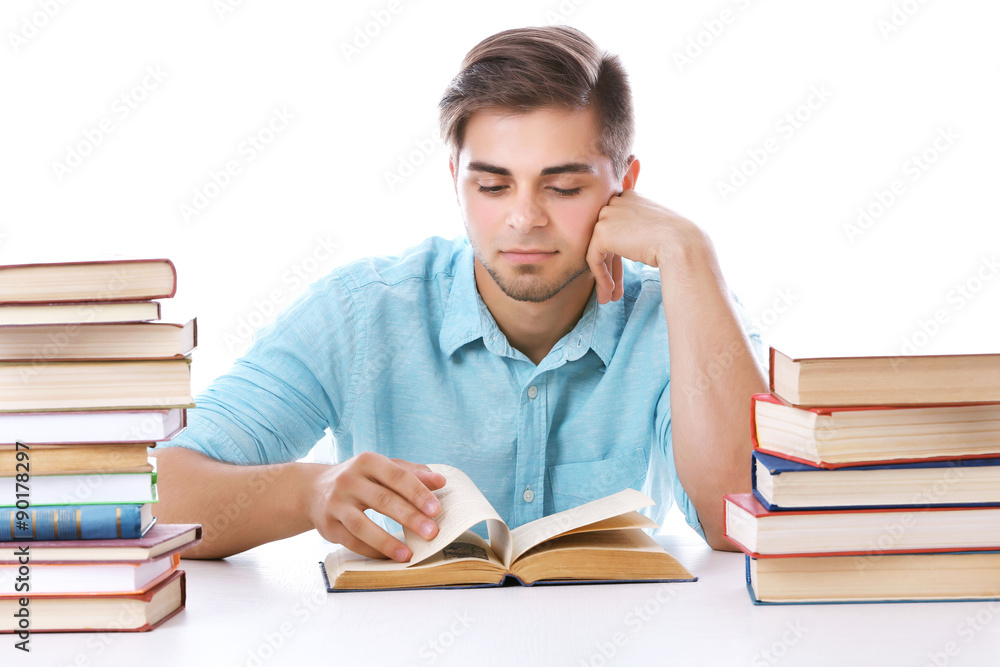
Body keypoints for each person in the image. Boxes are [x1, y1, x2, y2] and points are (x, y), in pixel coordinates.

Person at [154, 25, 767, 561]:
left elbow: (742, 518)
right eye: (494, 186)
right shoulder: (362, 312)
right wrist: (307, 492)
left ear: (625, 186)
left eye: (563, 187)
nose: (525, 219)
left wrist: (689, 253)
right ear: (456, 180)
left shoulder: (683, 311)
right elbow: (160, 490)